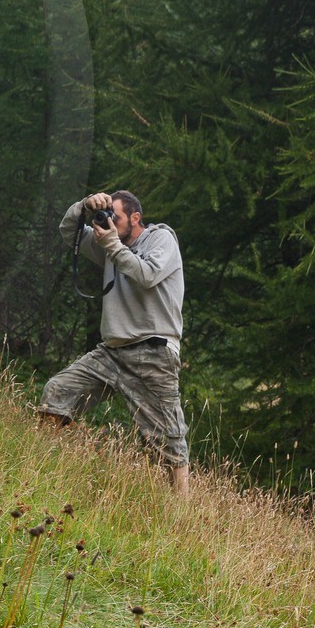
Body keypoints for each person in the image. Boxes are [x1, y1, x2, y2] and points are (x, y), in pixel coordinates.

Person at [38, 190, 190, 494]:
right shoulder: (109, 241)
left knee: (168, 442)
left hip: (153, 350)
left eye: (114, 217)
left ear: (135, 218)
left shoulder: (161, 240)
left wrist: (112, 245)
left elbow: (146, 275)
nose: (106, 222)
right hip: (112, 351)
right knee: (56, 392)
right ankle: (44, 473)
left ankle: (181, 513)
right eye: (104, 216)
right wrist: (83, 205)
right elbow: (69, 232)